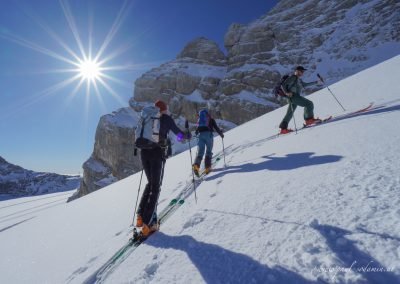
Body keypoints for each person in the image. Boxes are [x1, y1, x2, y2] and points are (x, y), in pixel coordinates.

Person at [136, 100, 189, 237]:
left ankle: (140, 216)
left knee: (149, 183)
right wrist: (186, 135)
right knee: (156, 187)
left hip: (144, 153)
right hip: (157, 153)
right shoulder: (165, 119)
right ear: (164, 109)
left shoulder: (146, 117)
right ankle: (149, 224)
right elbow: (178, 134)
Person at [279, 66, 322, 134]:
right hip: (293, 96)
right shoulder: (293, 77)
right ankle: (309, 119)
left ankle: (283, 129)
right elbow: (283, 85)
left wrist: (317, 82)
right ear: (297, 71)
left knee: (290, 113)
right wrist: (287, 93)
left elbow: (305, 85)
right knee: (309, 104)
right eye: (301, 71)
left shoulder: (298, 79)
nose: (302, 73)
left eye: (303, 71)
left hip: (293, 97)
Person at [192, 109, 224, 175]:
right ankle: (207, 168)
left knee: (200, 152)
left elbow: (196, 131)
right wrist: (221, 134)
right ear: (207, 114)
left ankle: (196, 166)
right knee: (208, 152)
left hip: (200, 136)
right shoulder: (211, 119)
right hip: (208, 136)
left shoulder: (200, 121)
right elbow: (216, 128)